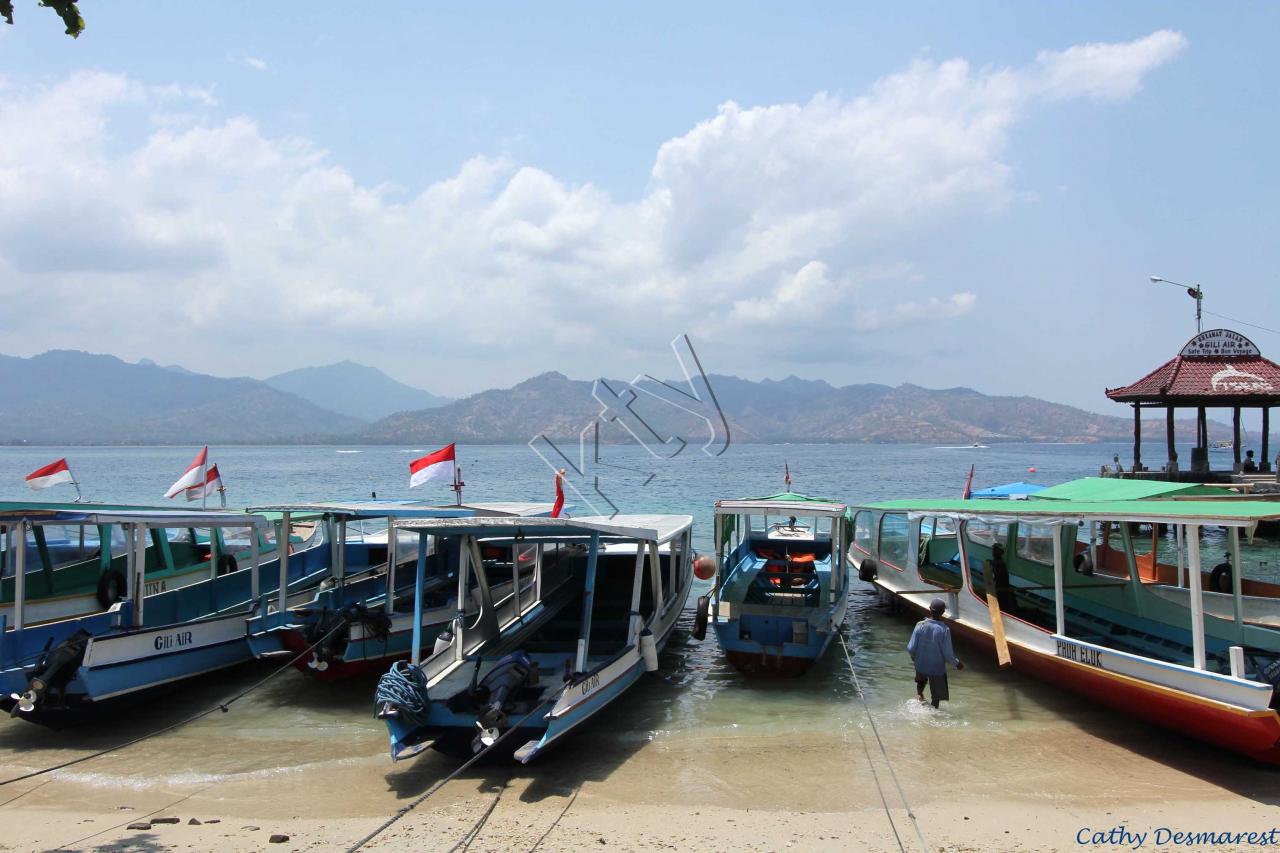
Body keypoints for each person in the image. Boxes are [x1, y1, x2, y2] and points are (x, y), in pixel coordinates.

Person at [907, 598, 964, 708]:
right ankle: (933, 713)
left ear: (929, 609)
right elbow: (947, 654)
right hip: (936, 668)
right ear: (943, 612)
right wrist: (957, 663)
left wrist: (914, 657)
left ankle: (919, 695)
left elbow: (910, 647)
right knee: (936, 697)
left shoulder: (920, 625)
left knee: (921, 681)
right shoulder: (944, 630)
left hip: (921, 665)